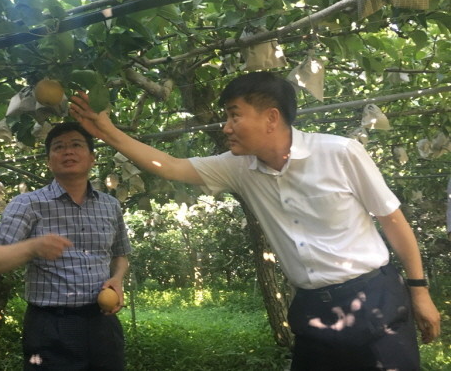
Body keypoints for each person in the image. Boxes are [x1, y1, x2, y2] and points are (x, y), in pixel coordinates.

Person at [70, 72, 441, 371]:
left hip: (374, 297)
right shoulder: (238, 167)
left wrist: (419, 291)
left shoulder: (340, 153)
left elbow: (392, 220)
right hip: (312, 309)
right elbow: (170, 166)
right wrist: (109, 133)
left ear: (271, 117)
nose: (226, 126)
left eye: (234, 114)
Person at [0, 122, 131, 371]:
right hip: (50, 327)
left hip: (103, 323)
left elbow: (120, 254)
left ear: (92, 158)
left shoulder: (110, 205)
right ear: (49, 161)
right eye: (59, 147)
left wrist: (118, 279)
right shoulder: (28, 204)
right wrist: (32, 247)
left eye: (76, 145)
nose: (68, 151)